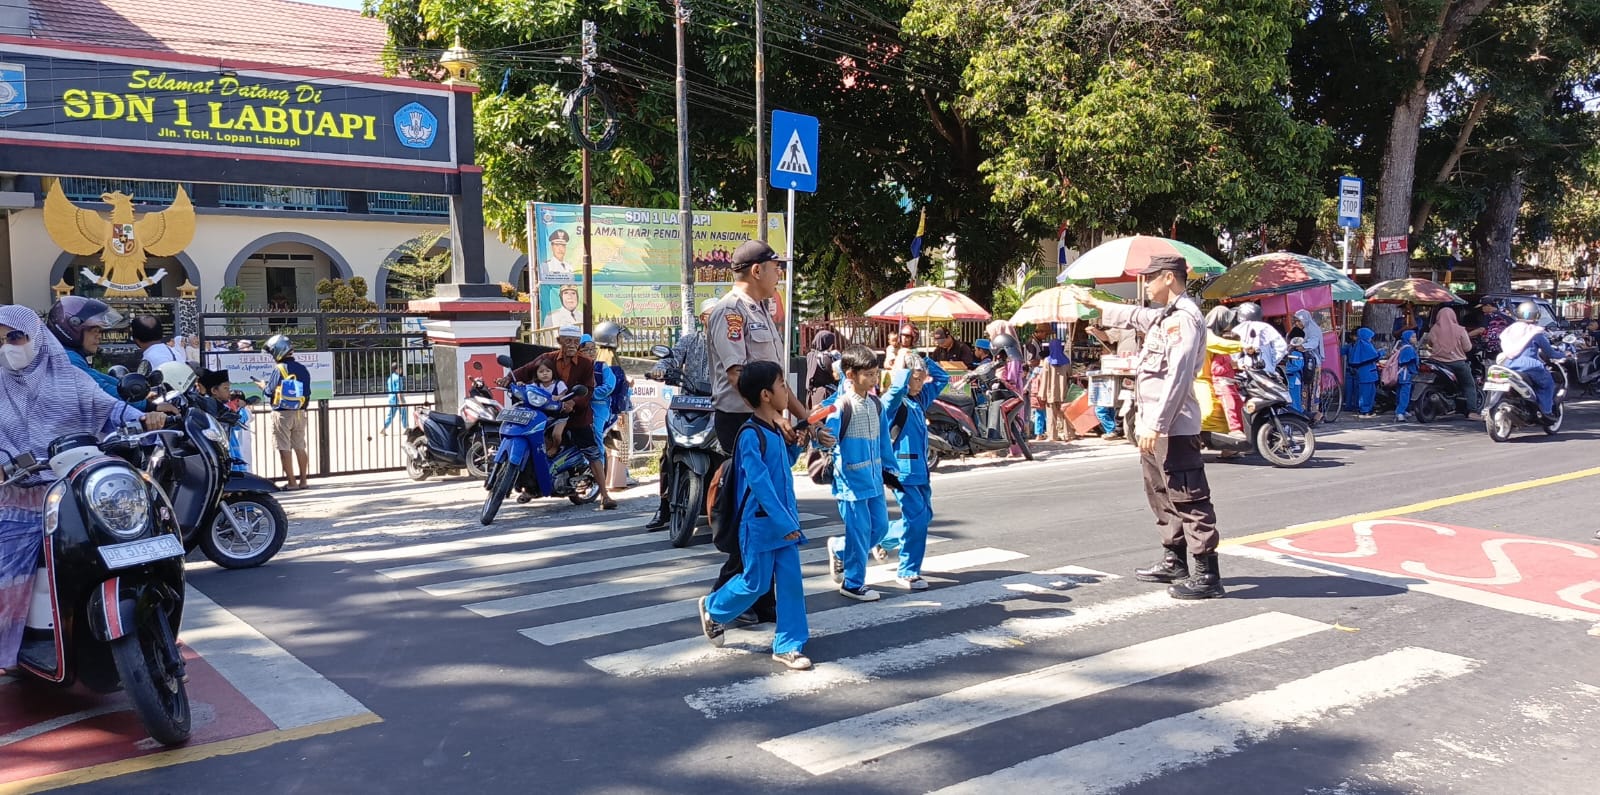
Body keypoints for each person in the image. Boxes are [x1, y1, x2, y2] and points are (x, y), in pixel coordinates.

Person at [1, 306, 166, 675]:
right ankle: (10, 646)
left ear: (37, 337)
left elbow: (110, 408)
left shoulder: (70, 376)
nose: (7, 347)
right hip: (19, 497)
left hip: (75, 487)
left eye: (14, 337)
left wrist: (144, 417)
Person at [1080, 255, 1225, 600]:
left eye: (1150, 279)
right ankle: (1174, 560)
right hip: (1151, 424)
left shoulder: (1185, 319)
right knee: (1159, 493)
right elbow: (1134, 316)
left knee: (1188, 497)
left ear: (1169, 278)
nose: (1146, 286)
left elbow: (1176, 376)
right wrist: (1095, 303)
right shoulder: (1165, 315)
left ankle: (1207, 575)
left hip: (1172, 427)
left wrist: (1157, 424)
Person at [708, 240, 829, 623]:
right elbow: (738, 375)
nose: (781, 274)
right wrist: (770, 417)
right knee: (754, 509)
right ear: (757, 270)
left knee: (772, 502)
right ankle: (725, 598)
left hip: (765, 417)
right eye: (776, 267)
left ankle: (760, 598)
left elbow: (776, 382)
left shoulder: (762, 310)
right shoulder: (731, 312)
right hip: (743, 421)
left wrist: (805, 417)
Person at [696, 361, 811, 670]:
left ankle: (789, 644)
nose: (787, 391)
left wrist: (796, 448)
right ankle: (714, 608)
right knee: (755, 583)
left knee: (790, 585)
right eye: (782, 386)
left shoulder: (775, 428)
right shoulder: (749, 435)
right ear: (765, 395)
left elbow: (780, 467)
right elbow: (759, 483)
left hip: (783, 521)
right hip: (760, 524)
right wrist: (784, 522)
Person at [510, 325, 617, 510]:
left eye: (575, 341)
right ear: (559, 341)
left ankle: (605, 494)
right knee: (532, 441)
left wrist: (573, 403)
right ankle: (530, 486)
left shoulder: (586, 364)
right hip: (547, 412)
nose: (572, 345)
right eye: (568, 340)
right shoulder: (548, 359)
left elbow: (589, 389)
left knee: (592, 451)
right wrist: (508, 379)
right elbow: (527, 370)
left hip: (577, 414)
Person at [822, 344, 895, 603]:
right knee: (861, 531)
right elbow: (827, 441)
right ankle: (853, 583)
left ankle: (840, 548)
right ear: (850, 374)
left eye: (876, 373)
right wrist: (827, 446)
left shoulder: (876, 404)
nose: (874, 379)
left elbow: (884, 439)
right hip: (850, 484)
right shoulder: (841, 406)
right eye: (869, 374)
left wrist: (891, 467)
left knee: (881, 528)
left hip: (874, 481)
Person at [871, 354, 949, 589]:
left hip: (921, 472)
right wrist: (903, 368)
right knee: (916, 521)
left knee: (922, 517)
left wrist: (925, 358)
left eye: (923, 377)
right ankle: (908, 571)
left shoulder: (919, 399)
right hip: (902, 473)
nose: (921, 382)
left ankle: (881, 539)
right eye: (917, 378)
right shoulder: (895, 402)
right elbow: (893, 393)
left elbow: (942, 378)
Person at [645, 300, 717, 531]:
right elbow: (671, 358)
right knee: (668, 453)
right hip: (687, 403)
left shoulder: (731, 342)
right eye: (711, 316)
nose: (716, 320)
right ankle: (664, 506)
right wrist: (661, 368)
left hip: (720, 404)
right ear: (703, 318)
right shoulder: (690, 340)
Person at [47, 296, 132, 403]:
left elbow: (99, 376)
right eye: (95, 331)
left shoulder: (68, 355)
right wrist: (149, 404)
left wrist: (140, 391)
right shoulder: (67, 360)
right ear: (73, 329)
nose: (99, 336)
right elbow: (101, 390)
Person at [257, 334, 312, 490]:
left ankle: (292, 482)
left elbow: (269, 391)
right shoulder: (302, 368)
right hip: (300, 413)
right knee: (300, 446)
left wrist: (262, 385)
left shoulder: (279, 369)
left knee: (284, 447)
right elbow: (307, 393)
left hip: (282, 413)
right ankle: (303, 481)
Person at [1499, 301, 1566, 423]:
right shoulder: (1535, 332)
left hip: (1508, 364)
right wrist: (1564, 354)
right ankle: (1546, 412)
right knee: (1547, 384)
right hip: (1530, 365)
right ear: (1536, 315)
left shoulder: (1509, 330)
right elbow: (1550, 353)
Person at [1087, 321, 1141, 440]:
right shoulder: (1124, 328)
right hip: (1126, 370)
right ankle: (1118, 428)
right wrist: (1095, 332)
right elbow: (1106, 336)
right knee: (1120, 400)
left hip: (1146, 370)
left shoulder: (1151, 327)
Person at [1424, 307, 1480, 420]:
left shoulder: (1434, 329)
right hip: (1457, 363)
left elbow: (1429, 344)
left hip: (1436, 362)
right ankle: (1472, 412)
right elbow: (1468, 347)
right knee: (1469, 385)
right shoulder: (1460, 330)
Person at [1033, 327, 1073, 442]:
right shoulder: (1066, 360)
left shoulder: (1047, 361)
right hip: (1064, 391)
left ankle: (1052, 436)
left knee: (1051, 415)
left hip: (1051, 392)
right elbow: (1070, 374)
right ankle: (1068, 434)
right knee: (1065, 414)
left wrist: (1042, 393)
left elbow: (1044, 378)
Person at [1232, 303, 1288, 374]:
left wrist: (1240, 363)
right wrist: (1272, 362)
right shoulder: (1266, 327)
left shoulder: (1237, 330)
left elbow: (1233, 352)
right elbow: (1281, 346)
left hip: (1246, 372)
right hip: (1266, 371)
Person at [1350, 328, 1382, 418]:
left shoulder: (1359, 345)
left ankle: (1366, 410)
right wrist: (1381, 353)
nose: (1371, 338)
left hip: (1366, 372)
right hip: (1367, 372)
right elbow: (1374, 355)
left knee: (1367, 391)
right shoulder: (1365, 345)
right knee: (1367, 392)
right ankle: (1365, 411)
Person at [804, 329, 840, 408]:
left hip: (812, 395)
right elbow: (837, 375)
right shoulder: (825, 357)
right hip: (826, 396)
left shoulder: (810, 355)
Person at [1393, 330, 1419, 421]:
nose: (1415, 339)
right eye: (1413, 337)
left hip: (1401, 374)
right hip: (1406, 374)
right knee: (1405, 394)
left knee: (1400, 393)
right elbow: (1410, 361)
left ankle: (1402, 410)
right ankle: (1400, 412)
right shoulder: (1409, 349)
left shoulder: (1402, 347)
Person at [381, 362, 406, 433]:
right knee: (403, 413)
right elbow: (398, 391)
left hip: (391, 398)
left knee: (391, 414)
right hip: (398, 398)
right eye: (400, 368)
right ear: (396, 369)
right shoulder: (398, 378)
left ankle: (384, 428)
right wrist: (401, 401)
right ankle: (406, 428)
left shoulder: (390, 378)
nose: (401, 369)